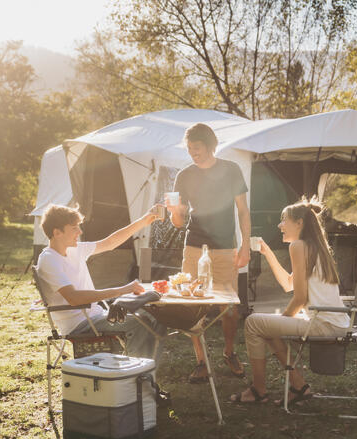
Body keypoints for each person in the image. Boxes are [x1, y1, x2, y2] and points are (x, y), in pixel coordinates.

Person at [229, 197, 350, 404]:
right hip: (337, 322)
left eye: (284, 220)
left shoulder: (299, 246)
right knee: (265, 326)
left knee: (252, 323)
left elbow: (300, 298)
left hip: (324, 324)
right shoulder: (314, 246)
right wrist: (268, 253)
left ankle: (259, 390)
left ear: (299, 223)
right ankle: (298, 386)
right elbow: (288, 284)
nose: (279, 225)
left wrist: (282, 323)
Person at [166, 123, 251, 383]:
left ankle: (229, 352)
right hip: (194, 245)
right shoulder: (184, 175)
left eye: (198, 148)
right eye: (190, 149)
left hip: (226, 245)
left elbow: (243, 211)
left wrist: (245, 244)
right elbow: (179, 222)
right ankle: (201, 361)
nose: (194, 153)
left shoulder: (230, 170)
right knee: (193, 306)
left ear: (210, 145)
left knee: (229, 308)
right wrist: (174, 213)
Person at [36, 203, 166, 359]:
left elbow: (109, 243)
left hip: (95, 315)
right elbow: (74, 298)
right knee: (142, 324)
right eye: (74, 228)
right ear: (57, 233)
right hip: (80, 325)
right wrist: (123, 290)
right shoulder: (49, 259)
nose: (80, 231)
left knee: (157, 317)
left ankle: (142, 373)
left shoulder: (74, 250)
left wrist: (143, 221)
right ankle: (139, 375)